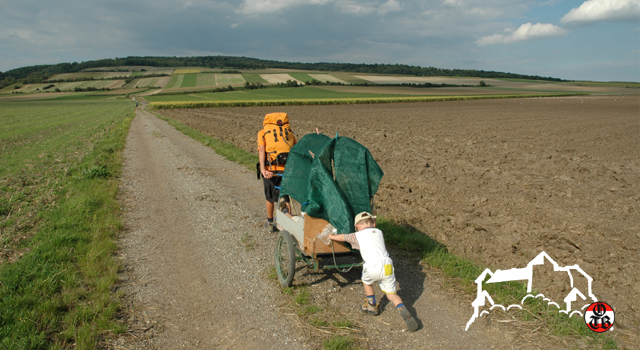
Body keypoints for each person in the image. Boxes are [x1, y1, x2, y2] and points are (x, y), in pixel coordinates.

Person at [329, 212, 419, 332]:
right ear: (374, 224)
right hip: (387, 264)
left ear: (357, 226)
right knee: (391, 294)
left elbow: (343, 237)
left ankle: (371, 305)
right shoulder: (379, 232)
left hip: (372, 265)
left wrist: (331, 236)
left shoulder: (358, 235)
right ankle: (401, 308)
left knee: (367, 283)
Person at [257, 112, 296, 232]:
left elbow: (262, 149)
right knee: (285, 196)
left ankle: (270, 222)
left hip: (271, 170)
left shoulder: (263, 132)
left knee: (270, 196)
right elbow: (295, 149)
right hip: (286, 169)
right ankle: (287, 226)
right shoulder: (288, 132)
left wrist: (263, 169)